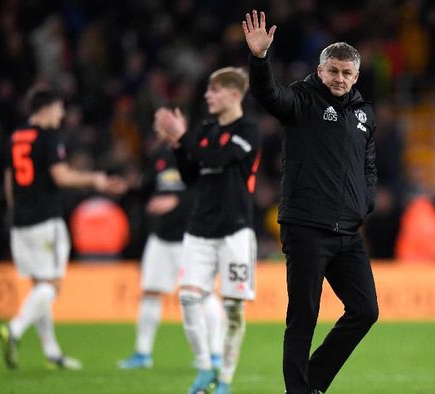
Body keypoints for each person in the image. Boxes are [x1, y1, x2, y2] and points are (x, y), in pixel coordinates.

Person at [243, 10, 379, 394]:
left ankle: (313, 381)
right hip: (306, 228)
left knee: (366, 311)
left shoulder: (365, 114)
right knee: (304, 316)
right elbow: (269, 95)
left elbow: (369, 166)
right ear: (320, 71)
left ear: (356, 76)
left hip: (347, 232)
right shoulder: (302, 101)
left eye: (346, 73)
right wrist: (259, 59)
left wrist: (365, 202)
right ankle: (299, 390)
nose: (339, 78)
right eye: (333, 71)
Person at [0, 88, 126, 370]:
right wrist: (96, 180)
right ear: (45, 109)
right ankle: (14, 329)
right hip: (46, 220)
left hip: (20, 222)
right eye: (59, 108)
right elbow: (61, 175)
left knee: (39, 287)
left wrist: (16, 211)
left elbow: (9, 180)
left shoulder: (16, 136)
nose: (62, 114)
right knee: (51, 286)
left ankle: (52, 353)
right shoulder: (49, 136)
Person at [153, 67, 261, 394]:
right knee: (187, 298)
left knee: (232, 309)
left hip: (235, 231)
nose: (207, 96)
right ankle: (204, 368)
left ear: (233, 94)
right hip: (200, 228)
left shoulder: (248, 131)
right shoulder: (205, 129)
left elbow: (221, 158)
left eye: (214, 91)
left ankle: (225, 379)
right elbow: (191, 176)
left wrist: (183, 137)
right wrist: (176, 144)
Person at [117, 133, 224, 369]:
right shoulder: (158, 157)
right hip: (161, 238)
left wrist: (176, 202)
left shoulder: (195, 154)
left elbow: (207, 191)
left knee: (203, 294)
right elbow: (147, 191)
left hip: (192, 238)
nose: (157, 128)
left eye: (163, 123)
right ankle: (143, 354)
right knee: (151, 293)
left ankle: (216, 353)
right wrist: (126, 190)